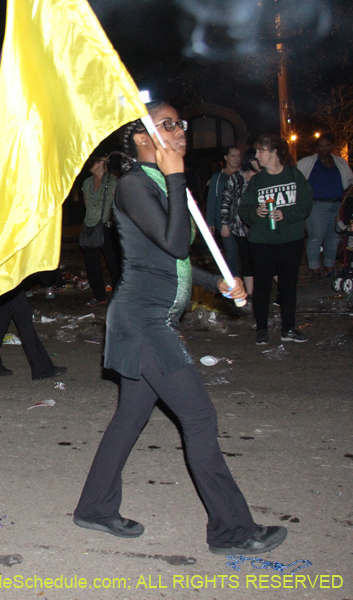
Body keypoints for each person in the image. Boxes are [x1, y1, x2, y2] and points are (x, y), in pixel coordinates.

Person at [73, 102, 287, 555]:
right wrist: (175, 176)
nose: (180, 131)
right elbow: (172, 242)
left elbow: (177, 260)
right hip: (142, 321)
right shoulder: (133, 185)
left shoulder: (159, 183)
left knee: (129, 418)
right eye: (166, 124)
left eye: (179, 123)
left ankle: (94, 508)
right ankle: (232, 530)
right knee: (200, 417)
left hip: (153, 317)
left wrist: (218, 284)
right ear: (141, 139)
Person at [238, 133, 313, 345]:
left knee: (288, 286)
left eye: (261, 151)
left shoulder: (293, 175)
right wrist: (256, 212)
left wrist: (286, 214)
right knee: (262, 287)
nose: (257, 155)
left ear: (274, 152)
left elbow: (306, 204)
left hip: (290, 240)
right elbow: (244, 211)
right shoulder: (257, 181)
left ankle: (288, 328)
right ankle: (261, 329)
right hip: (261, 243)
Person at [297, 133, 353, 281]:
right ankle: (315, 268)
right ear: (317, 146)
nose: (324, 148)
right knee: (315, 237)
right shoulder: (307, 162)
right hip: (317, 205)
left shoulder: (340, 162)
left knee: (333, 238)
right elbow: (297, 181)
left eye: (327, 144)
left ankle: (329, 266)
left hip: (337, 205)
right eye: (321, 144)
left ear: (332, 146)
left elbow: (349, 181)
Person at [79, 157, 121, 307]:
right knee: (91, 263)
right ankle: (98, 295)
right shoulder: (87, 182)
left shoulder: (112, 181)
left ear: (103, 163)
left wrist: (112, 221)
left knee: (112, 262)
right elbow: (87, 206)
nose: (91, 165)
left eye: (95, 162)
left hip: (106, 225)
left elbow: (117, 203)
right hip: (90, 225)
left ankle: (118, 295)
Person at [220, 148, 259, 295]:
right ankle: (250, 293)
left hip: (259, 227)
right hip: (240, 226)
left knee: (262, 259)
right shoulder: (235, 178)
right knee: (246, 258)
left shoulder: (262, 177)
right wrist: (225, 224)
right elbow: (226, 202)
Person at [205, 146, 241, 235]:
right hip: (223, 219)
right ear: (226, 157)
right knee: (230, 248)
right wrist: (210, 222)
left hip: (241, 219)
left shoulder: (243, 174)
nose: (236, 159)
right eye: (233, 156)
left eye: (238, 156)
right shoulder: (218, 177)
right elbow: (212, 199)